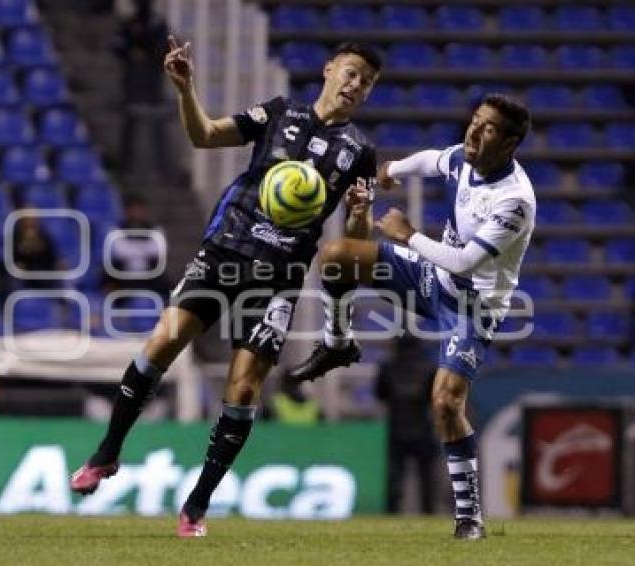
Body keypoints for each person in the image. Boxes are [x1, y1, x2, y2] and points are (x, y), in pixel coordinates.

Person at [70, 36, 382, 538]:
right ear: (329, 70)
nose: (355, 85)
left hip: (278, 275)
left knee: (243, 388)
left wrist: (362, 217)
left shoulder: (359, 154)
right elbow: (206, 135)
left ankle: (197, 504)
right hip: (226, 250)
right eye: (350, 73)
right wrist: (184, 88)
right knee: (162, 343)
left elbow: (354, 247)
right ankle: (107, 453)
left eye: (366, 83)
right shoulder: (279, 113)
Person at [288, 93, 534, 539]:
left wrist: (408, 235)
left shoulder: (514, 200)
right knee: (338, 255)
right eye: (475, 121)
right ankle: (338, 341)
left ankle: (469, 517)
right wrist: (390, 171)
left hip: (473, 306)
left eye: (490, 128)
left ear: (511, 143)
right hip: (433, 278)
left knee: (445, 402)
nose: (475, 132)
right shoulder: (464, 157)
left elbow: (464, 264)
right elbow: (433, 159)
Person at [374, 334, 439, 514]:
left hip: (396, 430)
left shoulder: (387, 368)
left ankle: (392, 513)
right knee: (427, 479)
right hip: (423, 429)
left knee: (394, 478)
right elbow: (435, 399)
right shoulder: (429, 368)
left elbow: (380, 394)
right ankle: (428, 512)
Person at [113, 0, 169, 177]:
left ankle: (162, 169)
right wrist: (132, 52)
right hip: (133, 85)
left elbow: (164, 49)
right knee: (131, 125)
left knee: (157, 127)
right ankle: (126, 167)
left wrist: (147, 52)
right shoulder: (129, 24)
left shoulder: (158, 24)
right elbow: (119, 46)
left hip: (153, 85)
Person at [102, 193, 169, 302]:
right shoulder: (115, 229)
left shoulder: (155, 229)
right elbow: (120, 252)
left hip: (150, 275)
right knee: (109, 285)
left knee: (173, 290)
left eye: (139, 209)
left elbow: (159, 250)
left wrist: (131, 248)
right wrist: (144, 249)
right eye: (133, 210)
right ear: (126, 211)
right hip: (123, 275)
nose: (136, 213)